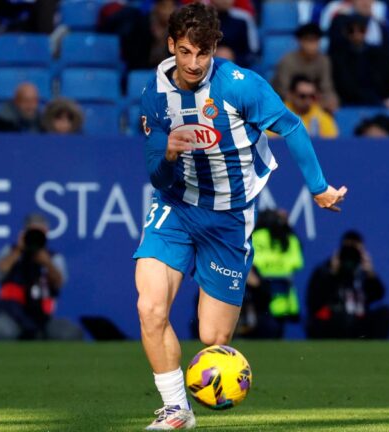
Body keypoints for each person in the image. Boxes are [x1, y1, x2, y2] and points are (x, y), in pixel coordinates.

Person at [133, 4, 346, 429]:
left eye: (204, 53)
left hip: (230, 218)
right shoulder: (154, 96)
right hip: (175, 207)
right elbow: (156, 172)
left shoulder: (241, 86)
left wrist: (319, 188)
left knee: (214, 341)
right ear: (171, 45)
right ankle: (176, 409)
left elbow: (292, 127)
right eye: (186, 52)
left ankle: (202, 390)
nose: (194, 63)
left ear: (216, 49)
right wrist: (171, 153)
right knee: (151, 308)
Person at [0, 214, 84, 340]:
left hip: (42, 318)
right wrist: (18, 250)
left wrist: (47, 263)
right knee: (0, 331)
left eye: (40, 232)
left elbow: (59, 282)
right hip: (12, 315)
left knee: (71, 333)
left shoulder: (52, 257)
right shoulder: (11, 251)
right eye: (32, 232)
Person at [306, 230, 389, 339]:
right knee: (317, 321)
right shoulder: (325, 269)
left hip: (358, 321)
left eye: (355, 248)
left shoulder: (363, 272)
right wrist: (332, 273)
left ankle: (375, 350)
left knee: (386, 312)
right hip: (333, 322)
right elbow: (313, 301)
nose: (350, 253)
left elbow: (378, 295)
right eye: (347, 248)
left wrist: (370, 273)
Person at [249, 209, 305, 336]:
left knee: (275, 327)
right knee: (266, 326)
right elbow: (296, 262)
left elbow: (297, 262)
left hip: (279, 289)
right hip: (259, 288)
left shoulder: (290, 238)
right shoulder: (287, 237)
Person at [272, 23, 338, 112]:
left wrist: (329, 100)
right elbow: (283, 91)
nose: (312, 45)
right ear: (300, 41)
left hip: (313, 101)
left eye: (315, 40)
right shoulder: (287, 61)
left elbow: (326, 88)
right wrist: (303, 99)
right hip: (285, 103)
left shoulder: (323, 61)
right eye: (309, 40)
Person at [209, 0, 259, 68]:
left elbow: (252, 50)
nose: (225, 1)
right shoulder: (202, 19)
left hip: (237, 67)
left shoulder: (243, 18)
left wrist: (232, 58)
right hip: (207, 66)